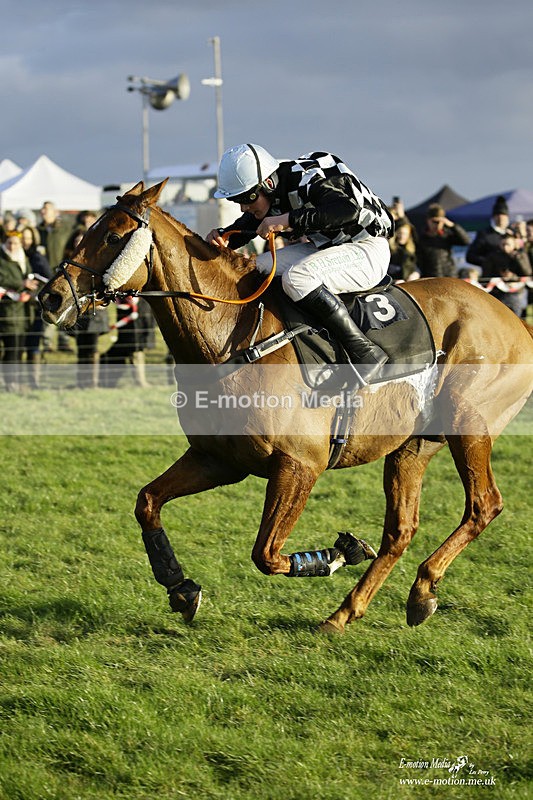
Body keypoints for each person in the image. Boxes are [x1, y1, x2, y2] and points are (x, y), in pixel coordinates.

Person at [206, 144, 394, 381]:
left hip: (367, 249)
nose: (243, 206)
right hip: (327, 248)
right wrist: (225, 236)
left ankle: (366, 353)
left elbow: (347, 210)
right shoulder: (276, 190)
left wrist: (287, 220)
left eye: (246, 198)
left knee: (298, 278)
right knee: (254, 269)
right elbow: (251, 222)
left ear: (268, 184)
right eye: (237, 200)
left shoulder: (309, 177)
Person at [0, 232, 39, 391]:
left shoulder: (23, 259)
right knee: (11, 349)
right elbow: (2, 279)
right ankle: (10, 383)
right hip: (8, 311)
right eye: (10, 243)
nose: (12, 246)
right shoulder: (2, 260)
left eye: (16, 243)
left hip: (23, 311)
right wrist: (22, 283)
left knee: (18, 349)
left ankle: (14, 381)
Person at [20, 226, 53, 388]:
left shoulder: (37, 257)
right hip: (17, 307)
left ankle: (34, 381)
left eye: (28, 238)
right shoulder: (12, 256)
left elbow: (48, 278)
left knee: (33, 342)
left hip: (34, 305)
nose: (25, 241)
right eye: (22, 238)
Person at [413, 204, 470, 279]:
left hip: (449, 275)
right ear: (428, 220)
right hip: (429, 277)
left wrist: (452, 225)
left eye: (440, 221)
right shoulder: (421, 237)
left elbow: (466, 241)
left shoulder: (446, 235)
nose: (437, 225)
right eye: (434, 221)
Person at [483, 231, 532, 317]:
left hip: (518, 293)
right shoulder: (492, 256)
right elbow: (486, 275)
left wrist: (517, 258)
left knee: (519, 320)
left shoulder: (521, 255)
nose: (505, 247)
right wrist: (499, 277)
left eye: (508, 244)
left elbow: (527, 273)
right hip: (499, 293)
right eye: (503, 244)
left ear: (514, 244)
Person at [466, 195, 512, 272]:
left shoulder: (512, 233)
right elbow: (470, 256)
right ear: (494, 217)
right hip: (491, 276)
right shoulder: (485, 234)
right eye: (498, 216)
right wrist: (489, 262)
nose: (501, 219)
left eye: (503, 216)